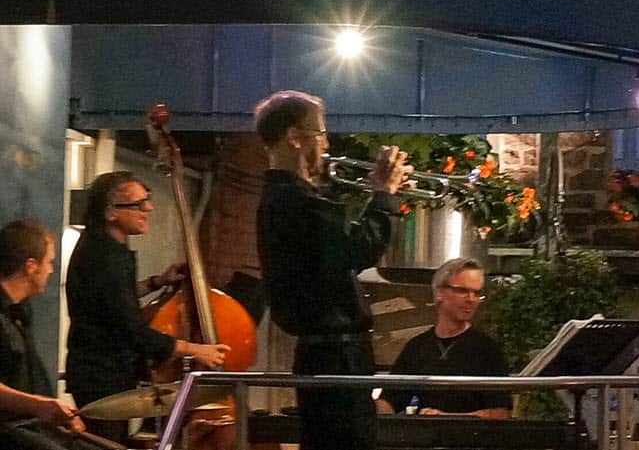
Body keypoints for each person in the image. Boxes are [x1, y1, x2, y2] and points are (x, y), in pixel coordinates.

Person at [255, 90, 412, 450]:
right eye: (320, 133)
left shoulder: (291, 197)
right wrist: (385, 195)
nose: (326, 143)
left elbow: (335, 253)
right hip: (336, 358)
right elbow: (358, 250)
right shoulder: (295, 200)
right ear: (294, 137)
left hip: (328, 355)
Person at [65, 170, 231, 444]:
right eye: (138, 204)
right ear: (110, 213)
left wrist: (157, 282)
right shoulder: (105, 257)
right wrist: (194, 349)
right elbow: (133, 330)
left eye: (147, 200)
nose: (148, 208)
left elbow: (109, 300)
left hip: (104, 372)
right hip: (102, 375)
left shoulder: (102, 247)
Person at [377, 257, 511, 419]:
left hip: (472, 439)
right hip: (427, 438)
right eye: (463, 291)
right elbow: (390, 401)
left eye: (477, 293)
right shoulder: (418, 346)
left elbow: (501, 412)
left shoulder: (487, 349)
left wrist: (445, 416)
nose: (471, 299)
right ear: (440, 293)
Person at [0, 218, 87, 450]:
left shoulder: (20, 310)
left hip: (26, 425)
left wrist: (54, 414)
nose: (50, 270)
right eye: (49, 262)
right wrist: (38, 405)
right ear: (30, 266)